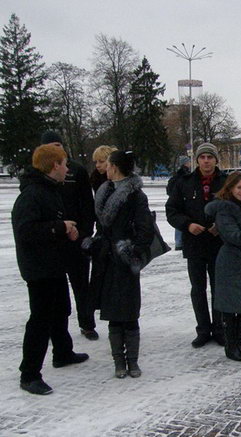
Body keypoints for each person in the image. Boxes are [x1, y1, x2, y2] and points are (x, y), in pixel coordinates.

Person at [12, 144, 89, 395]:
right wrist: (59, 227)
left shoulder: (50, 189)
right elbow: (26, 231)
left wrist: (68, 230)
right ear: (54, 165)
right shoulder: (32, 194)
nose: (67, 169)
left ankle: (63, 352)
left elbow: (51, 224)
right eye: (65, 164)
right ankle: (29, 374)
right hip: (39, 268)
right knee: (40, 319)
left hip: (54, 263)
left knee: (61, 310)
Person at [89, 150, 153, 379]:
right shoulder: (104, 191)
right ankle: (118, 361)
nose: (104, 167)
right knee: (112, 313)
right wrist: (96, 243)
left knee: (129, 312)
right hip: (106, 259)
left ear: (114, 167)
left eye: (107, 164)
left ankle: (132, 361)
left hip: (125, 261)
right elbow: (101, 227)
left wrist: (129, 251)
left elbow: (145, 231)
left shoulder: (135, 195)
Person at [166, 143, 226, 348]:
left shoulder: (225, 182)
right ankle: (203, 329)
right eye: (202, 157)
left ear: (216, 160)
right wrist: (187, 225)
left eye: (210, 157)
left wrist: (222, 226)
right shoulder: (184, 183)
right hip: (195, 244)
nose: (206, 161)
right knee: (198, 289)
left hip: (219, 245)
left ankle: (220, 329)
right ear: (197, 160)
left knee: (219, 288)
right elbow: (172, 211)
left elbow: (238, 208)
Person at [42, 131, 97, 340]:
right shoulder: (38, 173)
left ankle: (87, 324)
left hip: (77, 238)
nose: (57, 150)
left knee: (82, 285)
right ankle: (57, 331)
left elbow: (87, 204)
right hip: (53, 239)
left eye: (59, 145)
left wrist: (84, 233)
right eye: (51, 146)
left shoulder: (76, 170)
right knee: (55, 290)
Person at [204, 172, 241, 362]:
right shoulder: (224, 209)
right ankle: (231, 347)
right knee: (230, 308)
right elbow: (237, 237)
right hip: (230, 263)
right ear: (230, 188)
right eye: (239, 187)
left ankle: (237, 343)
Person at [167, 156, 191, 251]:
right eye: (188, 162)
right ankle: (180, 242)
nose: (190, 163)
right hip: (182, 200)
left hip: (177, 199)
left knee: (180, 220)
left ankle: (179, 242)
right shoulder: (184, 174)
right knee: (182, 220)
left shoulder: (176, 175)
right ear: (185, 163)